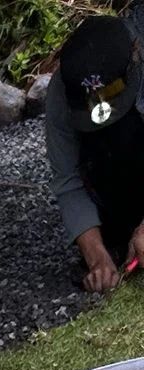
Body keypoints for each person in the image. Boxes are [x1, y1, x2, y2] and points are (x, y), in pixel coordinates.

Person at [48, 9, 144, 292]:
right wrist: (97, 258)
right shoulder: (61, 92)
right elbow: (67, 180)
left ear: (136, 57)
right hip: (109, 184)